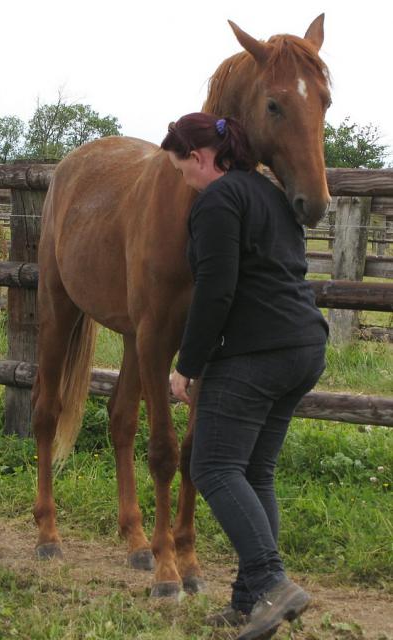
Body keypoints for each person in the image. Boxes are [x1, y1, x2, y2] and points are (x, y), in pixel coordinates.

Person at [161, 112, 329, 640]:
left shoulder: (216, 201)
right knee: (255, 472)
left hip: (255, 352)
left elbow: (216, 288)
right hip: (304, 345)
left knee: (212, 467)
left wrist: (187, 365)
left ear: (200, 157)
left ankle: (272, 583)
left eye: (180, 167)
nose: (182, 178)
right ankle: (250, 599)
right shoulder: (268, 192)